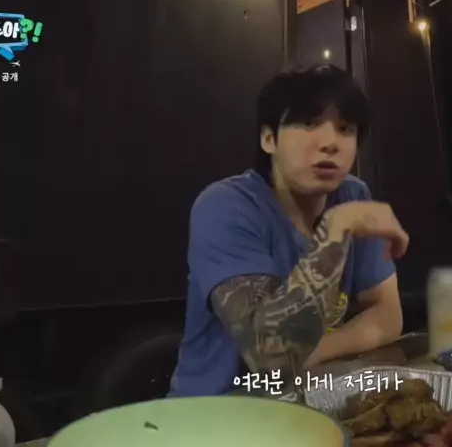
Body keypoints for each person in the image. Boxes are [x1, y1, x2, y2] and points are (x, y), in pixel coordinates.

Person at [169, 64, 409, 397]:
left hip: (307, 399)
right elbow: (273, 357)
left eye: (345, 129)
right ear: (269, 139)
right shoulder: (225, 207)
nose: (330, 143)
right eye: (308, 124)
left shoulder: (352, 195)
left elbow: (388, 316)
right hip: (216, 412)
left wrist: (308, 355)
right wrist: (336, 229)